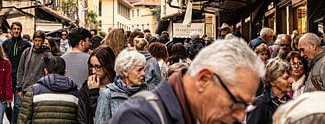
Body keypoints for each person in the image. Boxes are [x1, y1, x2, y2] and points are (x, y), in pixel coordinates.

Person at [111, 38, 265, 124]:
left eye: (247, 106)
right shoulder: (139, 117)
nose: (240, 116)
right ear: (203, 80)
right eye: (237, 102)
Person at [18, 56, 78, 124]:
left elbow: (23, 120)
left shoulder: (33, 92)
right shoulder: (75, 93)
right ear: (65, 72)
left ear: (46, 71)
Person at [95, 48, 147, 123]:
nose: (143, 73)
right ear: (125, 71)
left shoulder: (146, 92)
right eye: (139, 70)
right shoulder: (108, 95)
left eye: (144, 69)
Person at [246, 58, 293, 124]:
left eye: (290, 77)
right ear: (272, 81)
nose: (291, 80)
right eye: (286, 78)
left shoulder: (292, 103)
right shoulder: (260, 104)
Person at [2, 21, 31, 124]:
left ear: (21, 30)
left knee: (18, 104)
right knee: (6, 104)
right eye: (14, 29)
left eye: (18, 29)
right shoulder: (6, 43)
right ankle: (11, 121)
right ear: (11, 30)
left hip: (20, 78)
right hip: (8, 78)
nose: (16, 31)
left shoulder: (26, 44)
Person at [77, 46, 116, 124]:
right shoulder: (86, 88)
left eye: (98, 66)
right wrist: (93, 93)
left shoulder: (117, 87)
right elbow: (82, 118)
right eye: (91, 66)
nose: (94, 71)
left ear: (108, 65)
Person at [16, 30, 52, 105]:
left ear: (42, 41)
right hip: (26, 88)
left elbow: (50, 71)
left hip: (40, 88)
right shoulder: (27, 52)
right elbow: (20, 70)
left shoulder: (47, 54)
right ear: (33, 40)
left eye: (39, 40)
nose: (37, 43)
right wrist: (19, 87)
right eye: (36, 40)